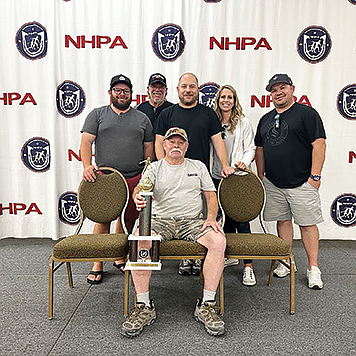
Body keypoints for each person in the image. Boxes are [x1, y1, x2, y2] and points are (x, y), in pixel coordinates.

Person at [121, 127, 227, 337]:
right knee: (141, 241)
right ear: (164, 145)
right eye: (171, 142)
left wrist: (210, 218)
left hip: (192, 221)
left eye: (180, 142)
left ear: (186, 146)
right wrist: (136, 197)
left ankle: (207, 304)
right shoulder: (154, 168)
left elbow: (211, 196)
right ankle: (144, 306)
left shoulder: (198, 166)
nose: (176, 146)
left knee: (218, 241)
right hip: (160, 221)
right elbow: (139, 190)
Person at [154, 72, 234, 275]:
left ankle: (199, 258)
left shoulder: (208, 114)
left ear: (198, 90)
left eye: (192, 86)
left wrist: (225, 164)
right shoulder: (167, 114)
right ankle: (184, 258)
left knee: (198, 217)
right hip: (173, 174)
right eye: (184, 86)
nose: (188, 90)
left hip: (200, 174)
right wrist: (161, 168)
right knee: (178, 213)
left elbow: (218, 142)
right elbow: (159, 142)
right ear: (178, 89)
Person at [80, 74, 154, 284]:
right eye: (118, 90)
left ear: (131, 94)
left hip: (134, 177)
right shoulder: (97, 115)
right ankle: (97, 263)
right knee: (103, 220)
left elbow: (148, 151)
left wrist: (146, 177)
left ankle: (120, 257)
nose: (122, 94)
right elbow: (86, 142)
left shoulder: (142, 119)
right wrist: (87, 166)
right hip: (106, 178)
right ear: (110, 92)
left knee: (128, 219)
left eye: (126, 91)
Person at [254, 73, 326, 289]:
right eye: (274, 90)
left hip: (303, 181)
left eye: (282, 87)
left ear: (292, 89)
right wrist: (260, 175)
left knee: (307, 225)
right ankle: (286, 261)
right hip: (274, 183)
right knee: (283, 221)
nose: (278, 92)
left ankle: (313, 267)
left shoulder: (307, 114)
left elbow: (319, 144)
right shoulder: (265, 119)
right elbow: (259, 149)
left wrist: (315, 176)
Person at [212, 84, 256, 286]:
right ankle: (230, 255)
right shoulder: (212, 121)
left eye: (230, 97)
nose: (226, 100)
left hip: (236, 176)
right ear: (218, 100)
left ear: (234, 100)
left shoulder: (243, 122)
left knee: (241, 219)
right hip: (215, 176)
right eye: (223, 97)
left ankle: (248, 266)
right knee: (222, 219)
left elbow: (251, 149)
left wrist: (243, 163)